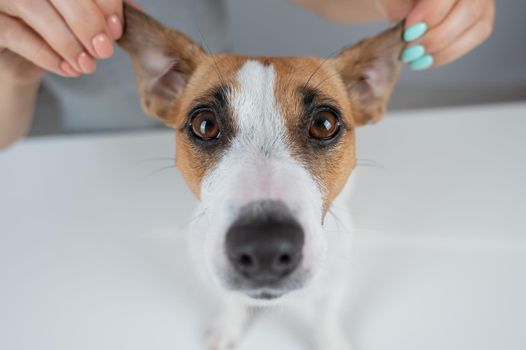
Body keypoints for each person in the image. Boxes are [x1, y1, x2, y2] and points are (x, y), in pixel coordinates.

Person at [0, 0, 495, 150]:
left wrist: (415, 5)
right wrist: (14, 69)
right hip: (47, 147)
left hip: (235, 104)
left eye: (321, 126)